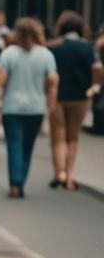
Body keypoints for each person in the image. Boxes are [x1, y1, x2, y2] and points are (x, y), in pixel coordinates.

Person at [0, 17, 58, 199]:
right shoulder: (46, 55)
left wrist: (0, 96)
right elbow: (53, 80)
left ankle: (15, 182)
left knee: (14, 145)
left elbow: (0, 80)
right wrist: (50, 101)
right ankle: (20, 180)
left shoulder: (9, 53)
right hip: (36, 108)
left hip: (12, 107)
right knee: (28, 146)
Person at [48, 11, 95, 191]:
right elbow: (97, 70)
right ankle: (69, 175)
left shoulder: (54, 48)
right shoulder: (87, 48)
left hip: (58, 96)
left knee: (58, 137)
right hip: (80, 97)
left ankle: (59, 173)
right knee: (73, 137)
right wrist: (92, 88)